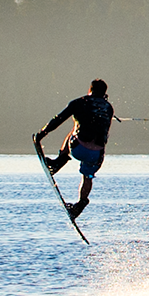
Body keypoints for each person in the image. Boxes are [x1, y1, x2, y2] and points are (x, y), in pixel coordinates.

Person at [34, 79, 115, 219]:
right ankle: (80, 204)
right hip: (97, 156)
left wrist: (41, 134)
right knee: (88, 177)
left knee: (74, 131)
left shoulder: (79, 102)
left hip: (78, 148)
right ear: (104, 93)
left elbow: (58, 119)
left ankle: (59, 161)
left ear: (90, 90)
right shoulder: (109, 108)